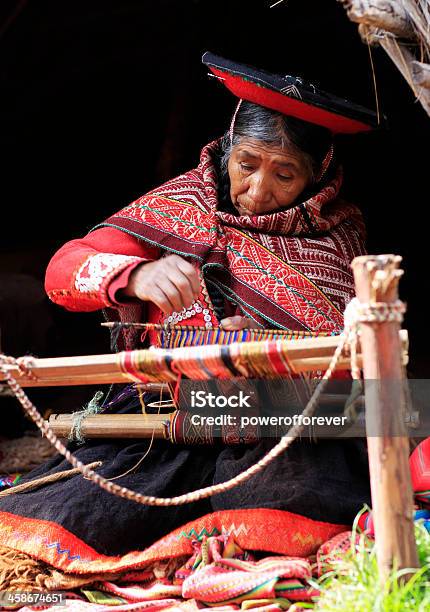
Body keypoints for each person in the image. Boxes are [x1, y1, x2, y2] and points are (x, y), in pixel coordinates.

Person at [0, 53, 377, 590]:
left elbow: (352, 363)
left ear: (318, 177)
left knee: (299, 507)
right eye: (247, 164)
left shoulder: (340, 233)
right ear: (227, 149)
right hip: (168, 417)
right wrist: (133, 274)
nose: (259, 189)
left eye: (285, 173)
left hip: (289, 421)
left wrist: (264, 355)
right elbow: (62, 272)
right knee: (88, 510)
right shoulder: (180, 205)